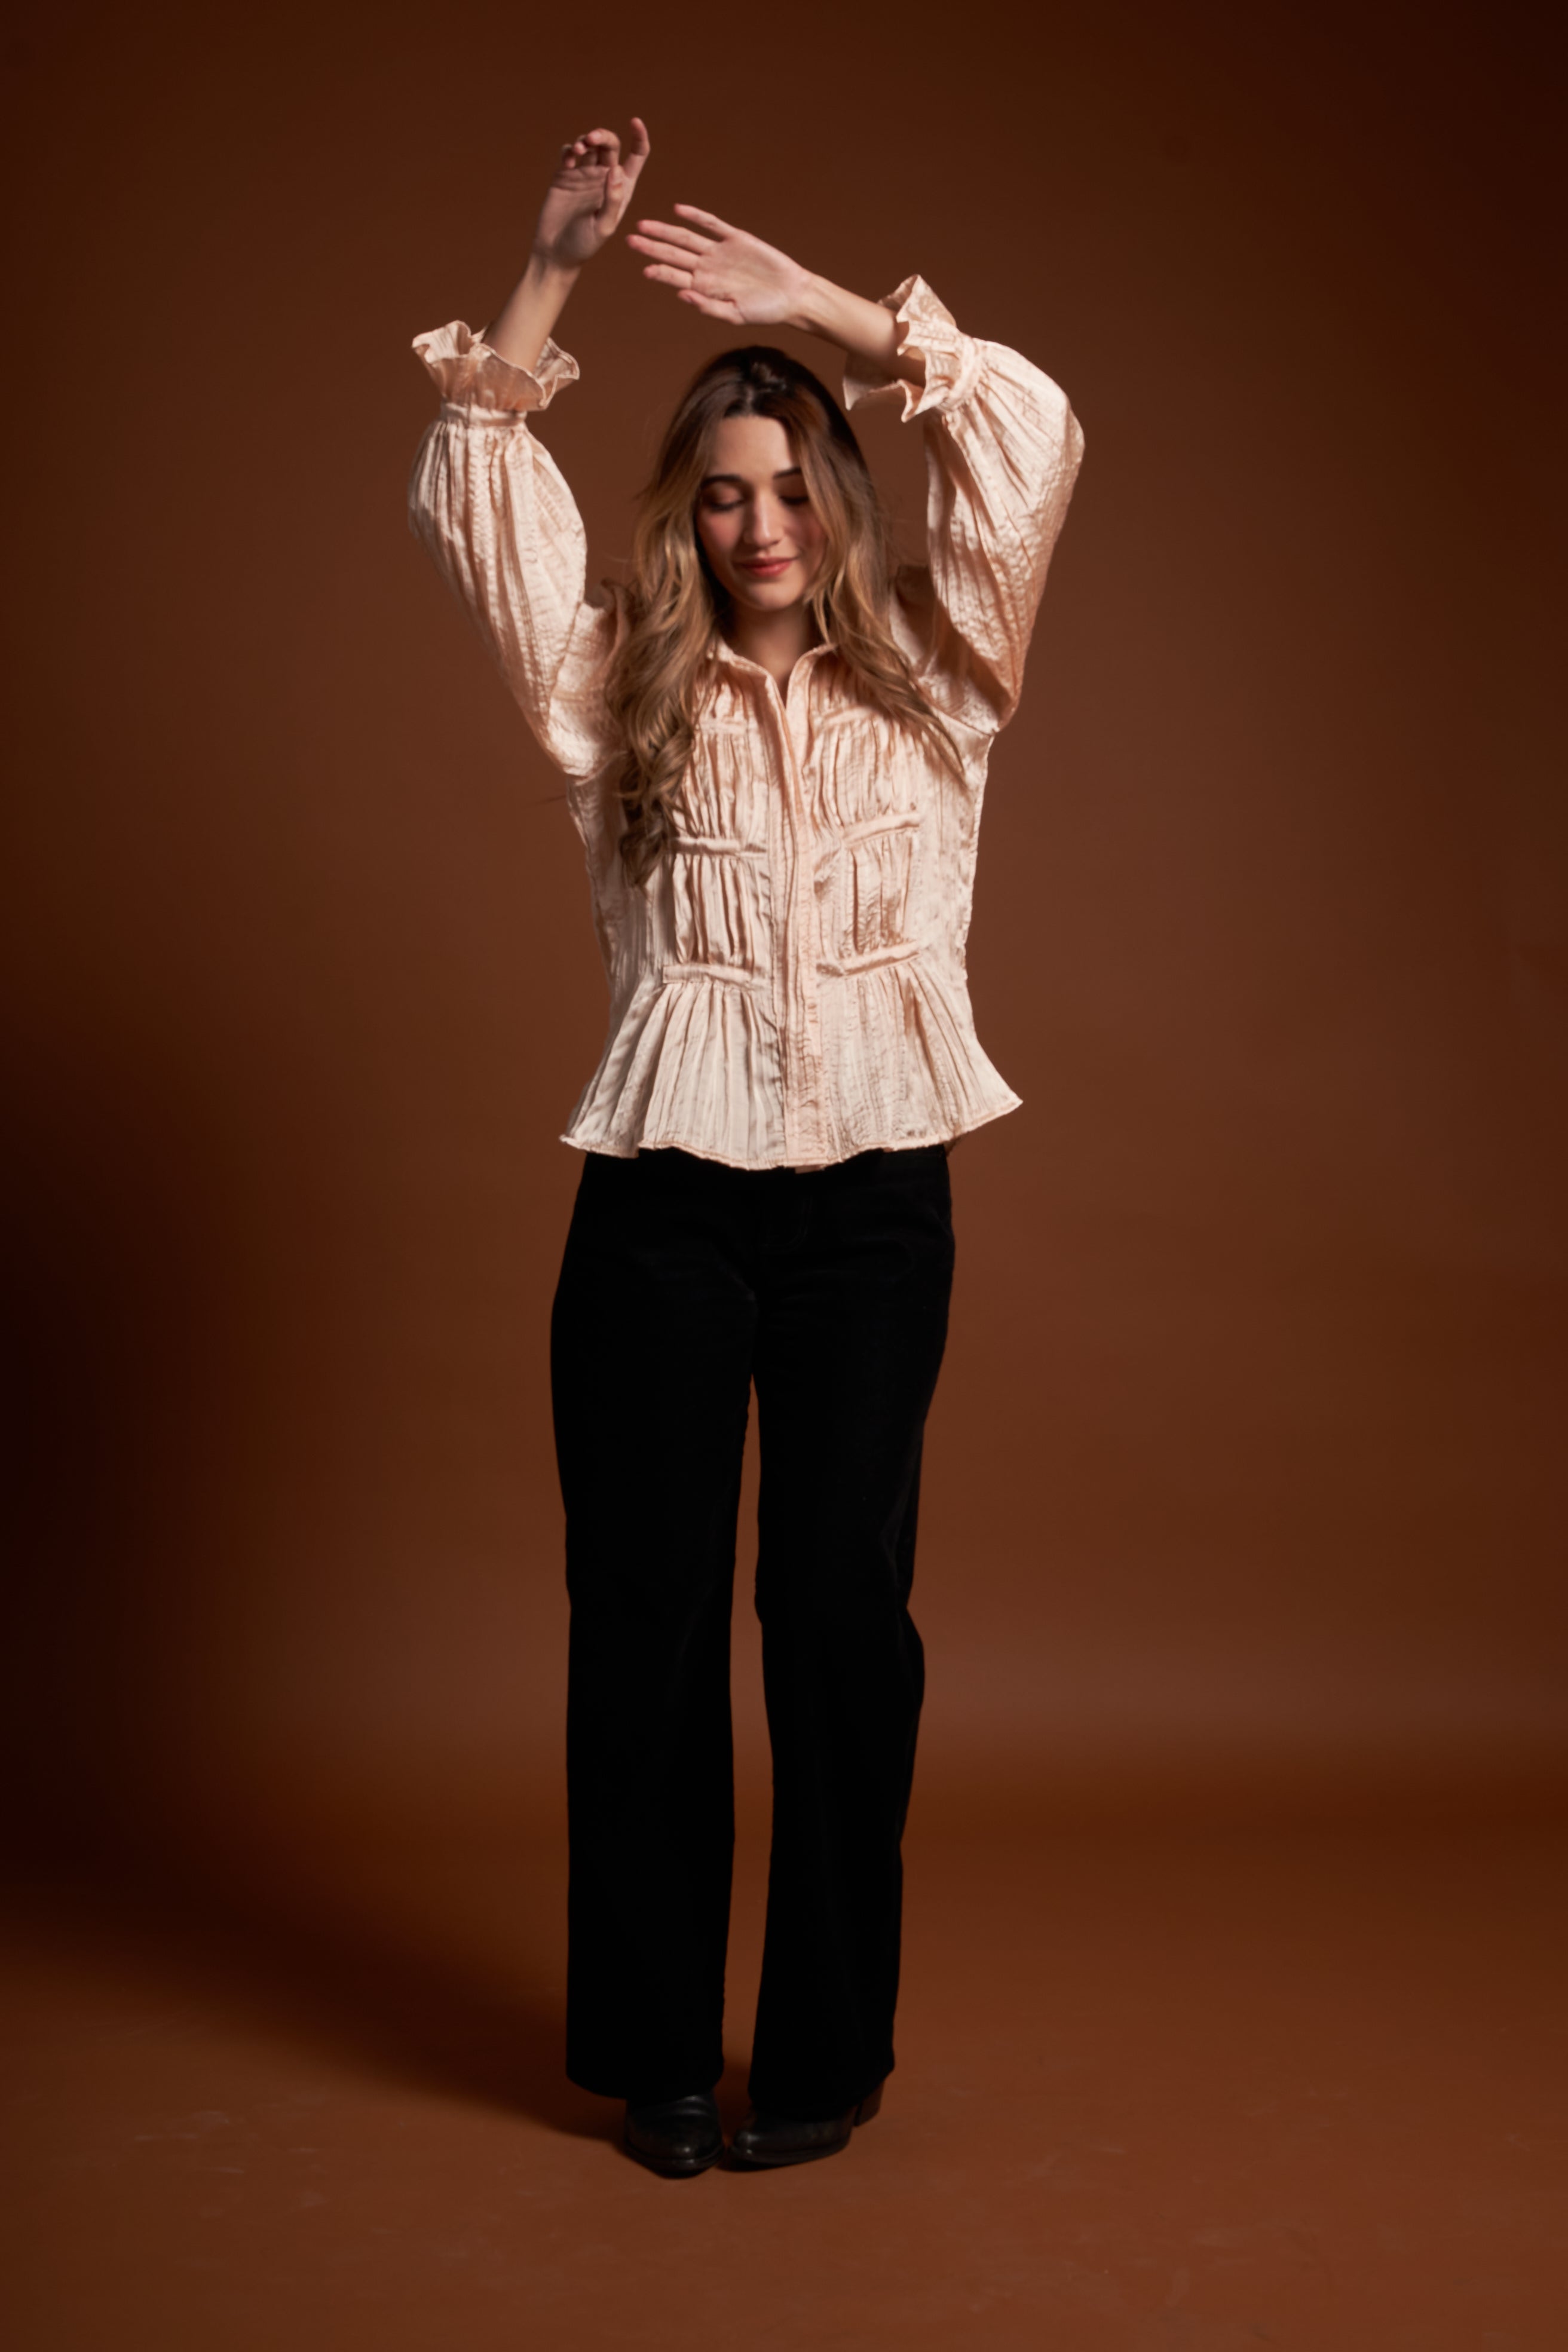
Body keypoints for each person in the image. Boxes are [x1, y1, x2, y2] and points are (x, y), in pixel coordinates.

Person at [406, 118, 1085, 2176]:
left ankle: (824, 2056)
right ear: (686, 518)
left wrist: (828, 314)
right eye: (724, 492)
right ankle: (659, 2060)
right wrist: (549, 268)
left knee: (842, 1626)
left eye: (792, 487)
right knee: (644, 1622)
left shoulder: (948, 677)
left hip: (876, 1208)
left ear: (839, 503)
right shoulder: (618, 691)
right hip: (660, 1214)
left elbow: (1033, 434)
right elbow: (477, 491)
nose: (762, 523)